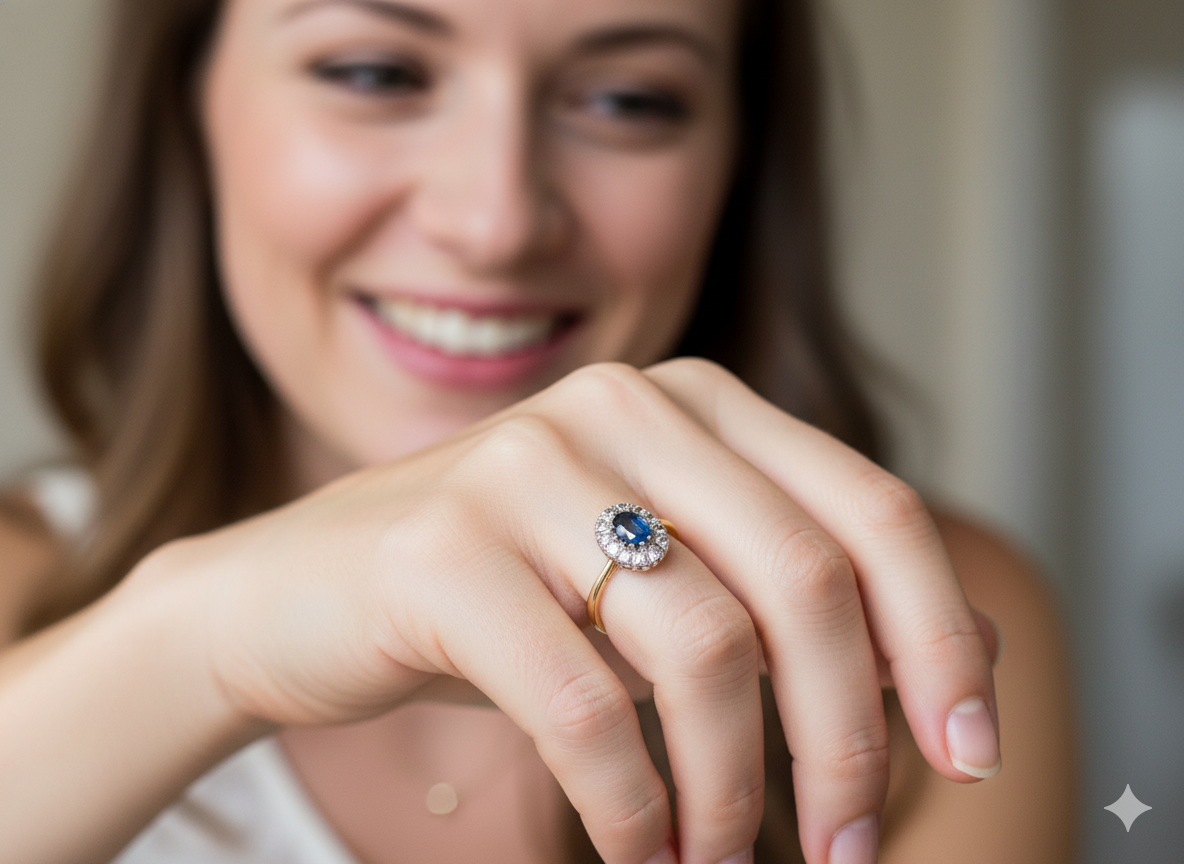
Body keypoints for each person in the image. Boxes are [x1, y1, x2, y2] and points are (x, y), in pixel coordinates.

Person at [0, 0, 1077, 862]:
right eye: (376, 73)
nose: (496, 222)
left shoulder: (919, 619)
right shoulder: (21, 586)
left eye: (627, 98)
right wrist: (199, 645)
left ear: (735, 166)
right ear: (188, 107)